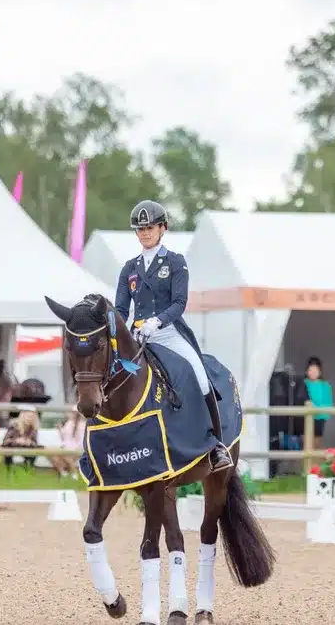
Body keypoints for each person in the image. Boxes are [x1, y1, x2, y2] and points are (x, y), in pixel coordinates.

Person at [114, 199, 232, 472]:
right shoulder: (129, 268)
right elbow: (120, 308)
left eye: (150, 227)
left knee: (200, 375)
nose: (145, 233)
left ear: (162, 228)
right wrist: (117, 329)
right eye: (140, 229)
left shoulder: (175, 262)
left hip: (168, 332)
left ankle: (216, 445)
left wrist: (157, 321)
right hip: (138, 336)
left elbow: (179, 302)